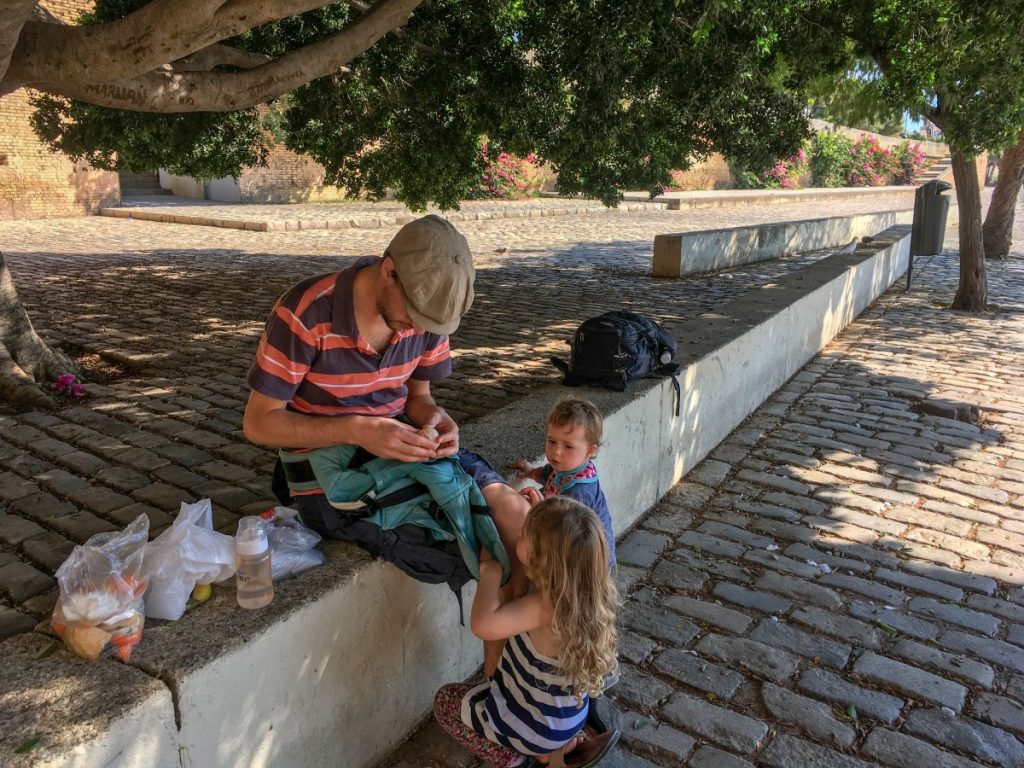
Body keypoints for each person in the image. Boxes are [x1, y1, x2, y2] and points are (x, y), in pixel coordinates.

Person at [242, 214, 530, 600]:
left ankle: (523, 650)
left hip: (401, 447)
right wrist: (356, 429)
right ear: (389, 271)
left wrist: (437, 421)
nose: (415, 330)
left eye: (428, 324)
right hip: (329, 468)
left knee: (514, 516)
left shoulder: (429, 324)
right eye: (414, 315)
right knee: (462, 542)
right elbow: (259, 423)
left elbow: (419, 398)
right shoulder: (305, 314)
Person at [433, 497, 620, 768]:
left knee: (446, 702)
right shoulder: (592, 600)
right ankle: (561, 746)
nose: (518, 534)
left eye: (522, 534)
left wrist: (490, 573)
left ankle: (512, 759)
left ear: (540, 557)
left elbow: (483, 625)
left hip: (536, 729)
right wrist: (546, 520)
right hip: (568, 719)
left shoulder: (543, 608)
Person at [511, 397, 616, 567]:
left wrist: (536, 507)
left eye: (568, 446)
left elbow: (559, 527)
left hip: (589, 563)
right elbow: (549, 474)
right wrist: (531, 472)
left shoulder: (577, 494)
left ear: (589, 451)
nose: (556, 452)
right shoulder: (569, 467)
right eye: (552, 441)